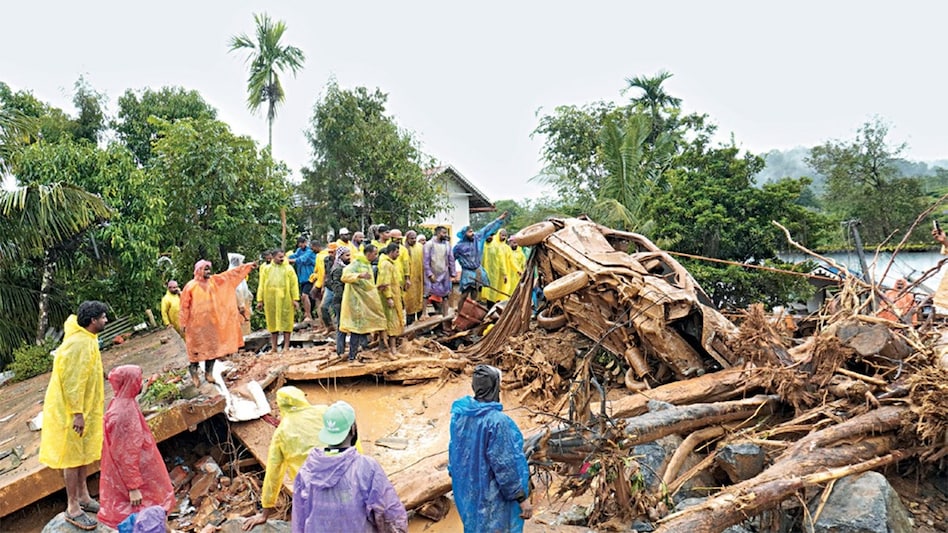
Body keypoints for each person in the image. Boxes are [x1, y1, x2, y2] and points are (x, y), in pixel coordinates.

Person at [39, 301, 110, 531]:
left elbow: (89, 367)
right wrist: (77, 414)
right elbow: (72, 382)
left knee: (82, 454)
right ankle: (73, 507)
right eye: (103, 317)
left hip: (84, 408)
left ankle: (84, 496)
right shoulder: (77, 344)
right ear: (93, 321)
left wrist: (104, 374)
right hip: (71, 411)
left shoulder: (89, 338)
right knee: (71, 458)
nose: (106, 320)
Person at [292, 401, 407, 533]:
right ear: (353, 429)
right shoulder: (367, 467)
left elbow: (299, 520)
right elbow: (389, 513)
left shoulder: (308, 469)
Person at [449, 365, 532, 533]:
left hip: (470, 495)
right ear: (494, 387)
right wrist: (521, 498)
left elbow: (454, 455)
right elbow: (505, 466)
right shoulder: (497, 421)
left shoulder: (461, 415)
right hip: (494, 500)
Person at [97, 365, 175, 529]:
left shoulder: (122, 403)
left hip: (139, 470)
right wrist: (133, 487)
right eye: (138, 379)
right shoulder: (124, 414)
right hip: (135, 475)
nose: (141, 383)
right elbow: (125, 454)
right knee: (143, 517)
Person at [242, 387, 329, 531]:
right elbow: (350, 437)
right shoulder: (325, 411)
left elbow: (273, 474)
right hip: (343, 480)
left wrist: (265, 513)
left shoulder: (282, 432)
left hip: (311, 492)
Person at [179, 259, 256, 387]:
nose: (208, 271)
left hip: (213, 324)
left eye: (209, 269)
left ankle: (209, 373)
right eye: (205, 269)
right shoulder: (190, 286)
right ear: (199, 270)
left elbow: (230, 275)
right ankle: (194, 371)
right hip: (196, 326)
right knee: (196, 350)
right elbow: (184, 306)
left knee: (213, 350)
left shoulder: (215, 281)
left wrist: (247, 267)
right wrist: (183, 322)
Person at [340, 244, 387, 363]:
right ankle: (352, 357)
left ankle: (361, 352)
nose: (376, 256)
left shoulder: (367, 264)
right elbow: (345, 276)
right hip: (356, 301)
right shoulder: (356, 263)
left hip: (365, 301)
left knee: (362, 328)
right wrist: (359, 275)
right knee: (356, 329)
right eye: (375, 254)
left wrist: (377, 287)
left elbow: (367, 285)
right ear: (368, 253)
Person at [454, 212, 508, 307]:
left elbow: (487, 228)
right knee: (465, 294)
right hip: (467, 271)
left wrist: (499, 219)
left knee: (475, 292)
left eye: (472, 231)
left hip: (477, 270)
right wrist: (451, 272)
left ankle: (472, 311)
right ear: (464, 234)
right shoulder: (459, 247)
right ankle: (459, 312)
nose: (472, 233)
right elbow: (451, 259)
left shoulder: (477, 238)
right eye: (469, 232)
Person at [256, 250, 300, 353]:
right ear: (273, 257)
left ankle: (286, 346)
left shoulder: (288, 269)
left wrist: (295, 299)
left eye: (283, 256)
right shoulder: (266, 269)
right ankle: (274, 347)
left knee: (287, 321)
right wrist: (260, 300)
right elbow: (261, 285)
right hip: (270, 299)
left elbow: (294, 285)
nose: (282, 259)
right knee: (272, 322)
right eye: (279, 257)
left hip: (286, 299)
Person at [377, 243, 405, 354]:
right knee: (392, 323)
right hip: (389, 298)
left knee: (391, 323)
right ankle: (392, 349)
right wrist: (389, 297)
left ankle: (385, 347)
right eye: (397, 252)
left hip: (395, 296)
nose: (398, 254)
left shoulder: (391, 263)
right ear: (392, 252)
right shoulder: (386, 264)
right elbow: (385, 283)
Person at [423, 225, 456, 316]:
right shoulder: (429, 244)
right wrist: (429, 274)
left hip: (444, 274)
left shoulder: (447, 245)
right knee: (426, 294)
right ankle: (424, 314)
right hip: (432, 274)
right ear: (438, 233)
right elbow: (426, 261)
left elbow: (451, 259)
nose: (445, 235)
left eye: (446, 233)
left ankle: (445, 315)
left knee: (445, 296)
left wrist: (453, 274)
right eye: (443, 233)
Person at [328, 246, 351, 356]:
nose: (349, 257)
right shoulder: (338, 269)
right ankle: (340, 350)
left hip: (343, 299)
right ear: (340, 256)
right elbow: (337, 288)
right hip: (341, 301)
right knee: (341, 326)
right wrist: (344, 299)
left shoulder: (343, 267)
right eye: (347, 255)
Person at [480, 229, 513, 305]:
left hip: (496, 273)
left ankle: (492, 306)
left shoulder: (496, 247)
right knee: (487, 291)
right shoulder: (483, 246)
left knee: (493, 292)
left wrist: (504, 273)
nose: (490, 237)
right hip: (485, 272)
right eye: (488, 235)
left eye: (491, 235)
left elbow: (501, 261)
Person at [289, 237, 317, 323]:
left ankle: (308, 315)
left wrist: (289, 260)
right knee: (304, 297)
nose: (301, 245)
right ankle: (308, 314)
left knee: (305, 295)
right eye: (299, 244)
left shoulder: (310, 251)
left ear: (305, 242)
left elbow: (301, 259)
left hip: (310, 277)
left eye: (302, 243)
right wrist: (285, 257)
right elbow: (294, 256)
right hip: (302, 278)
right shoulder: (299, 250)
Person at [229, 253, 255, 336]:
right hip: (238, 305)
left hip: (241, 302)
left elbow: (244, 289)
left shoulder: (237, 273)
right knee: (240, 325)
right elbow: (238, 290)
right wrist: (241, 304)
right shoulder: (234, 274)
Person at [403, 230, 426, 323]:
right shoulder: (404, 248)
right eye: (411, 238)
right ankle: (410, 323)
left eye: (415, 238)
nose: (413, 240)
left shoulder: (420, 247)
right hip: (409, 279)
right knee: (410, 301)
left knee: (420, 299)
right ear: (407, 238)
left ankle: (421, 324)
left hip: (420, 278)